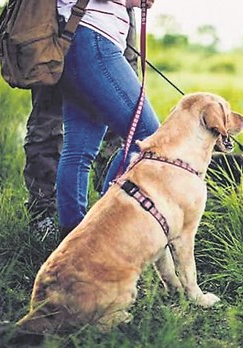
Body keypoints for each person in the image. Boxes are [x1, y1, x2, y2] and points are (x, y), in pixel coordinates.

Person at [26, 5, 140, 242]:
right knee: (145, 136)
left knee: (83, 148)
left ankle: (79, 239)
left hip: (106, 32)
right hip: (75, 30)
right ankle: (55, 215)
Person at [55, 0, 159, 238]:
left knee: (78, 152)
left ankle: (74, 241)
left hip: (78, 39)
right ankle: (104, 230)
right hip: (95, 39)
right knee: (149, 138)